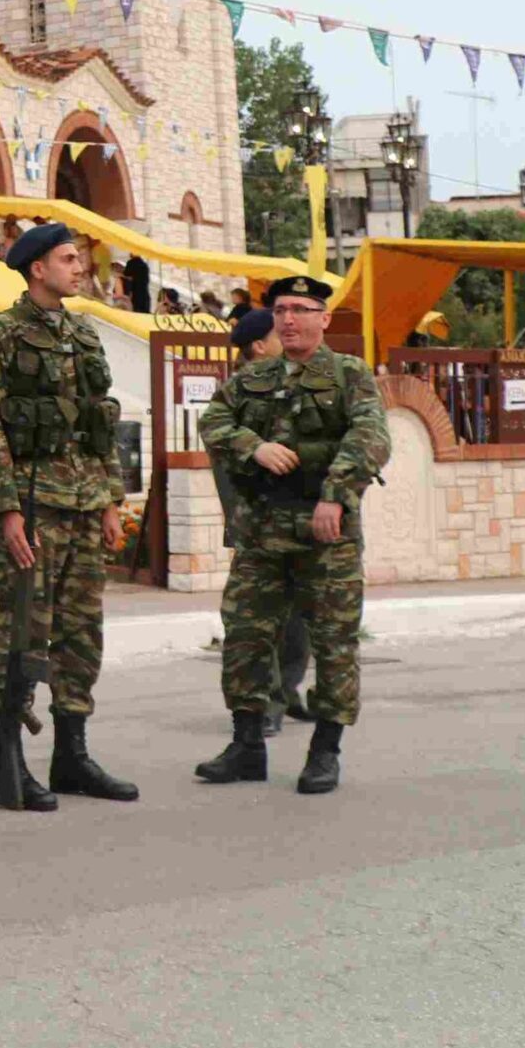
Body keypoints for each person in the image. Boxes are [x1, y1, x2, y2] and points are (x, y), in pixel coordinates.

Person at [195, 277, 391, 794]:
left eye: (302, 310)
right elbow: (213, 421)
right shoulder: (252, 378)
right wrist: (251, 445)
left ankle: (325, 751)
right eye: (281, 310)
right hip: (262, 533)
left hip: (325, 532)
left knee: (333, 644)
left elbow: (371, 437)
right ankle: (246, 745)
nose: (289, 319)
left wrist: (335, 494)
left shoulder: (349, 375)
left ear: (324, 319)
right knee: (243, 637)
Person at [0, 221, 138, 812]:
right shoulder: (0, 336)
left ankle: (71, 753)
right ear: (37, 267)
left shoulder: (85, 335)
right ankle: (7, 757)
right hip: (35, 508)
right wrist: (7, 509)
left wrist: (112, 498)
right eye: (68, 258)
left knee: (80, 634)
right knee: (22, 631)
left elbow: (100, 422)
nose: (79, 267)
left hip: (87, 504)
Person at [213, 309, 309, 734]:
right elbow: (226, 464)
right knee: (259, 616)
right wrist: (241, 522)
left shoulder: (290, 384)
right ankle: (267, 699)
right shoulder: (235, 397)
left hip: (297, 522)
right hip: (257, 523)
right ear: (258, 346)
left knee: (298, 615)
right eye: (276, 332)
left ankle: (288, 691)